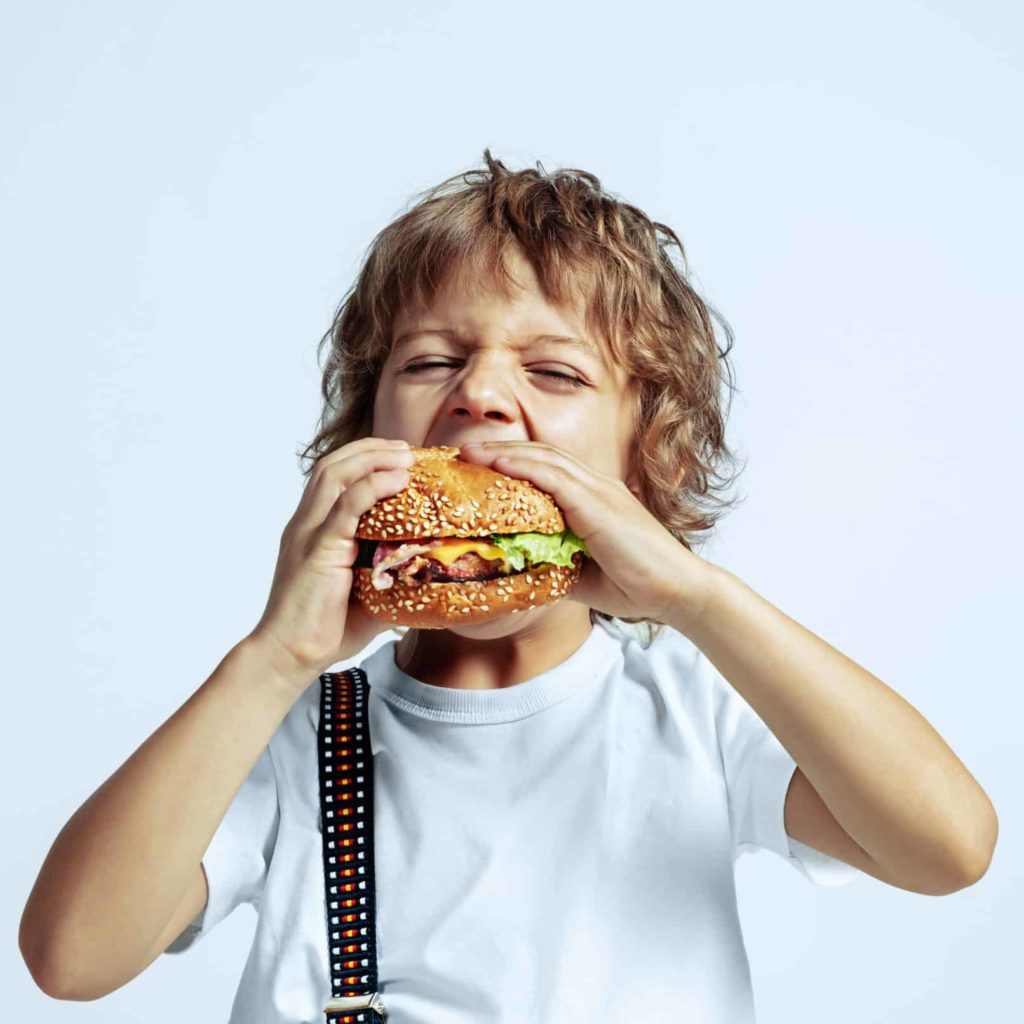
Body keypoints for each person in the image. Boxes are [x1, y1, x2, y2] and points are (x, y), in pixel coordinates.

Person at [19, 150, 998, 1023]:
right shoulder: (287, 736)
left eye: (555, 374)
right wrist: (274, 658)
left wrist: (696, 597)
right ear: (368, 436)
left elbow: (945, 848)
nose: (478, 394)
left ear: (643, 457)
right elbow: (71, 959)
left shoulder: (692, 715)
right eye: (432, 360)